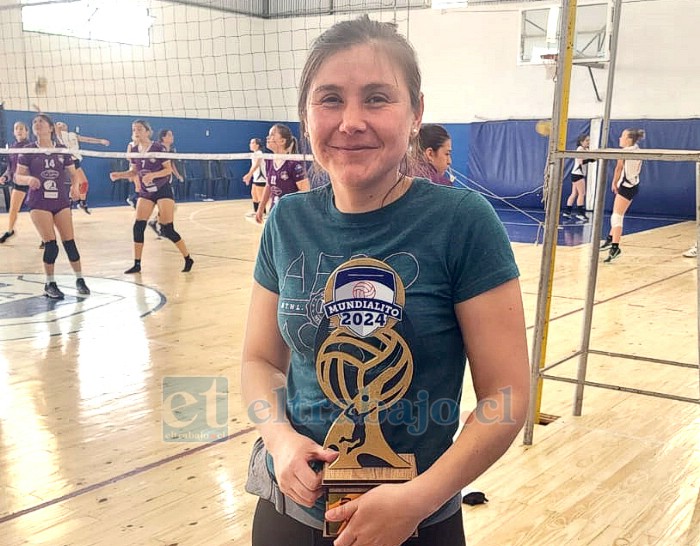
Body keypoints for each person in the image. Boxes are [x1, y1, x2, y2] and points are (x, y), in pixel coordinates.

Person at [241, 16, 529, 546]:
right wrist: (279, 440)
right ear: (306, 115)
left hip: (413, 524)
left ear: (416, 112)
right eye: (330, 99)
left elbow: (506, 396)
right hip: (289, 516)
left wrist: (419, 499)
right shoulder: (286, 221)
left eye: (377, 98)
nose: (351, 121)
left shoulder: (462, 221)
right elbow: (259, 362)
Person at [14, 114, 90, 299]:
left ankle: (80, 279)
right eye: (34, 122)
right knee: (51, 246)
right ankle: (50, 284)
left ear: (50, 128)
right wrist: (29, 179)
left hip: (60, 201)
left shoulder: (62, 150)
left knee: (69, 243)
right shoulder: (28, 150)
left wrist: (74, 186)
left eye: (41, 121)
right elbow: (18, 176)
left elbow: (73, 174)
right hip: (39, 202)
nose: (37, 124)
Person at [109, 120, 193, 274]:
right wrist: (119, 175)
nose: (136, 131)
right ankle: (137, 264)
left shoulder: (158, 148)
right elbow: (134, 172)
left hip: (162, 190)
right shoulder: (134, 149)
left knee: (167, 229)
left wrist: (153, 175)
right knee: (138, 226)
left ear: (148, 131)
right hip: (146, 192)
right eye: (134, 129)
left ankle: (188, 258)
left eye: (140, 129)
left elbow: (167, 171)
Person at [600, 129, 646, 263]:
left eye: (622, 136)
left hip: (626, 187)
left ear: (629, 139)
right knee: (617, 213)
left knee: (617, 216)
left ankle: (615, 247)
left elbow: (619, 168)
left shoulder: (625, 152)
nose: (619, 138)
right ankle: (610, 238)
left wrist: (614, 182)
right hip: (633, 185)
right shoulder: (637, 149)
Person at [254, 124, 309, 224]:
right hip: (274, 211)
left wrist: (289, 204)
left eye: (272, 135)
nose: (268, 137)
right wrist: (261, 208)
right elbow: (269, 185)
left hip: (292, 214)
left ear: (282, 141)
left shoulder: (294, 163)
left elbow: (305, 191)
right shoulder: (269, 160)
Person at [55, 121, 110, 214]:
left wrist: (100, 141)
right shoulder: (59, 135)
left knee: (80, 184)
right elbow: (51, 125)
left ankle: (75, 204)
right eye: (58, 124)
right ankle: (76, 204)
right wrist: (41, 113)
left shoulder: (73, 135)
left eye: (62, 123)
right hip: (68, 161)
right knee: (78, 184)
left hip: (76, 161)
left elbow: (87, 139)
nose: (62, 124)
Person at [147, 129, 184, 238]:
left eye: (172, 134)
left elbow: (171, 165)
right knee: (170, 206)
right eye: (169, 135)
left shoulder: (171, 150)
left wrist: (177, 175)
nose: (172, 137)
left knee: (171, 207)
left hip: (168, 179)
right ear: (163, 137)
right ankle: (161, 226)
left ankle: (157, 223)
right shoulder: (157, 148)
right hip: (158, 181)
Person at [0, 121, 32, 243]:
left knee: (37, 210)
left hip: (32, 182)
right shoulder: (12, 148)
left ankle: (46, 238)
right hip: (18, 182)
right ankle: (10, 231)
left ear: (27, 131)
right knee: (13, 209)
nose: (19, 130)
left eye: (21, 128)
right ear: (14, 132)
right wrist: (5, 176)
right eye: (16, 128)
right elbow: (10, 168)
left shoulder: (30, 147)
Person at [563, 134, 595, 221]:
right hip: (578, 174)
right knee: (582, 193)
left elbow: (589, 157)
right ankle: (580, 213)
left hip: (577, 174)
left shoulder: (586, 150)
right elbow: (581, 162)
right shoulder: (580, 149)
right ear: (581, 142)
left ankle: (567, 212)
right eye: (587, 140)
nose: (588, 142)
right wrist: (591, 159)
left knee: (574, 193)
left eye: (589, 140)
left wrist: (593, 158)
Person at [243, 137, 266, 218]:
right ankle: (256, 211)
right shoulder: (254, 154)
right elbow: (253, 166)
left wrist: (249, 175)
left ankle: (263, 212)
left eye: (252, 143)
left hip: (261, 178)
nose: (250, 144)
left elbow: (257, 164)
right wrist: (249, 176)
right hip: (256, 178)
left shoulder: (259, 153)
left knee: (260, 196)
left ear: (257, 145)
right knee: (254, 194)